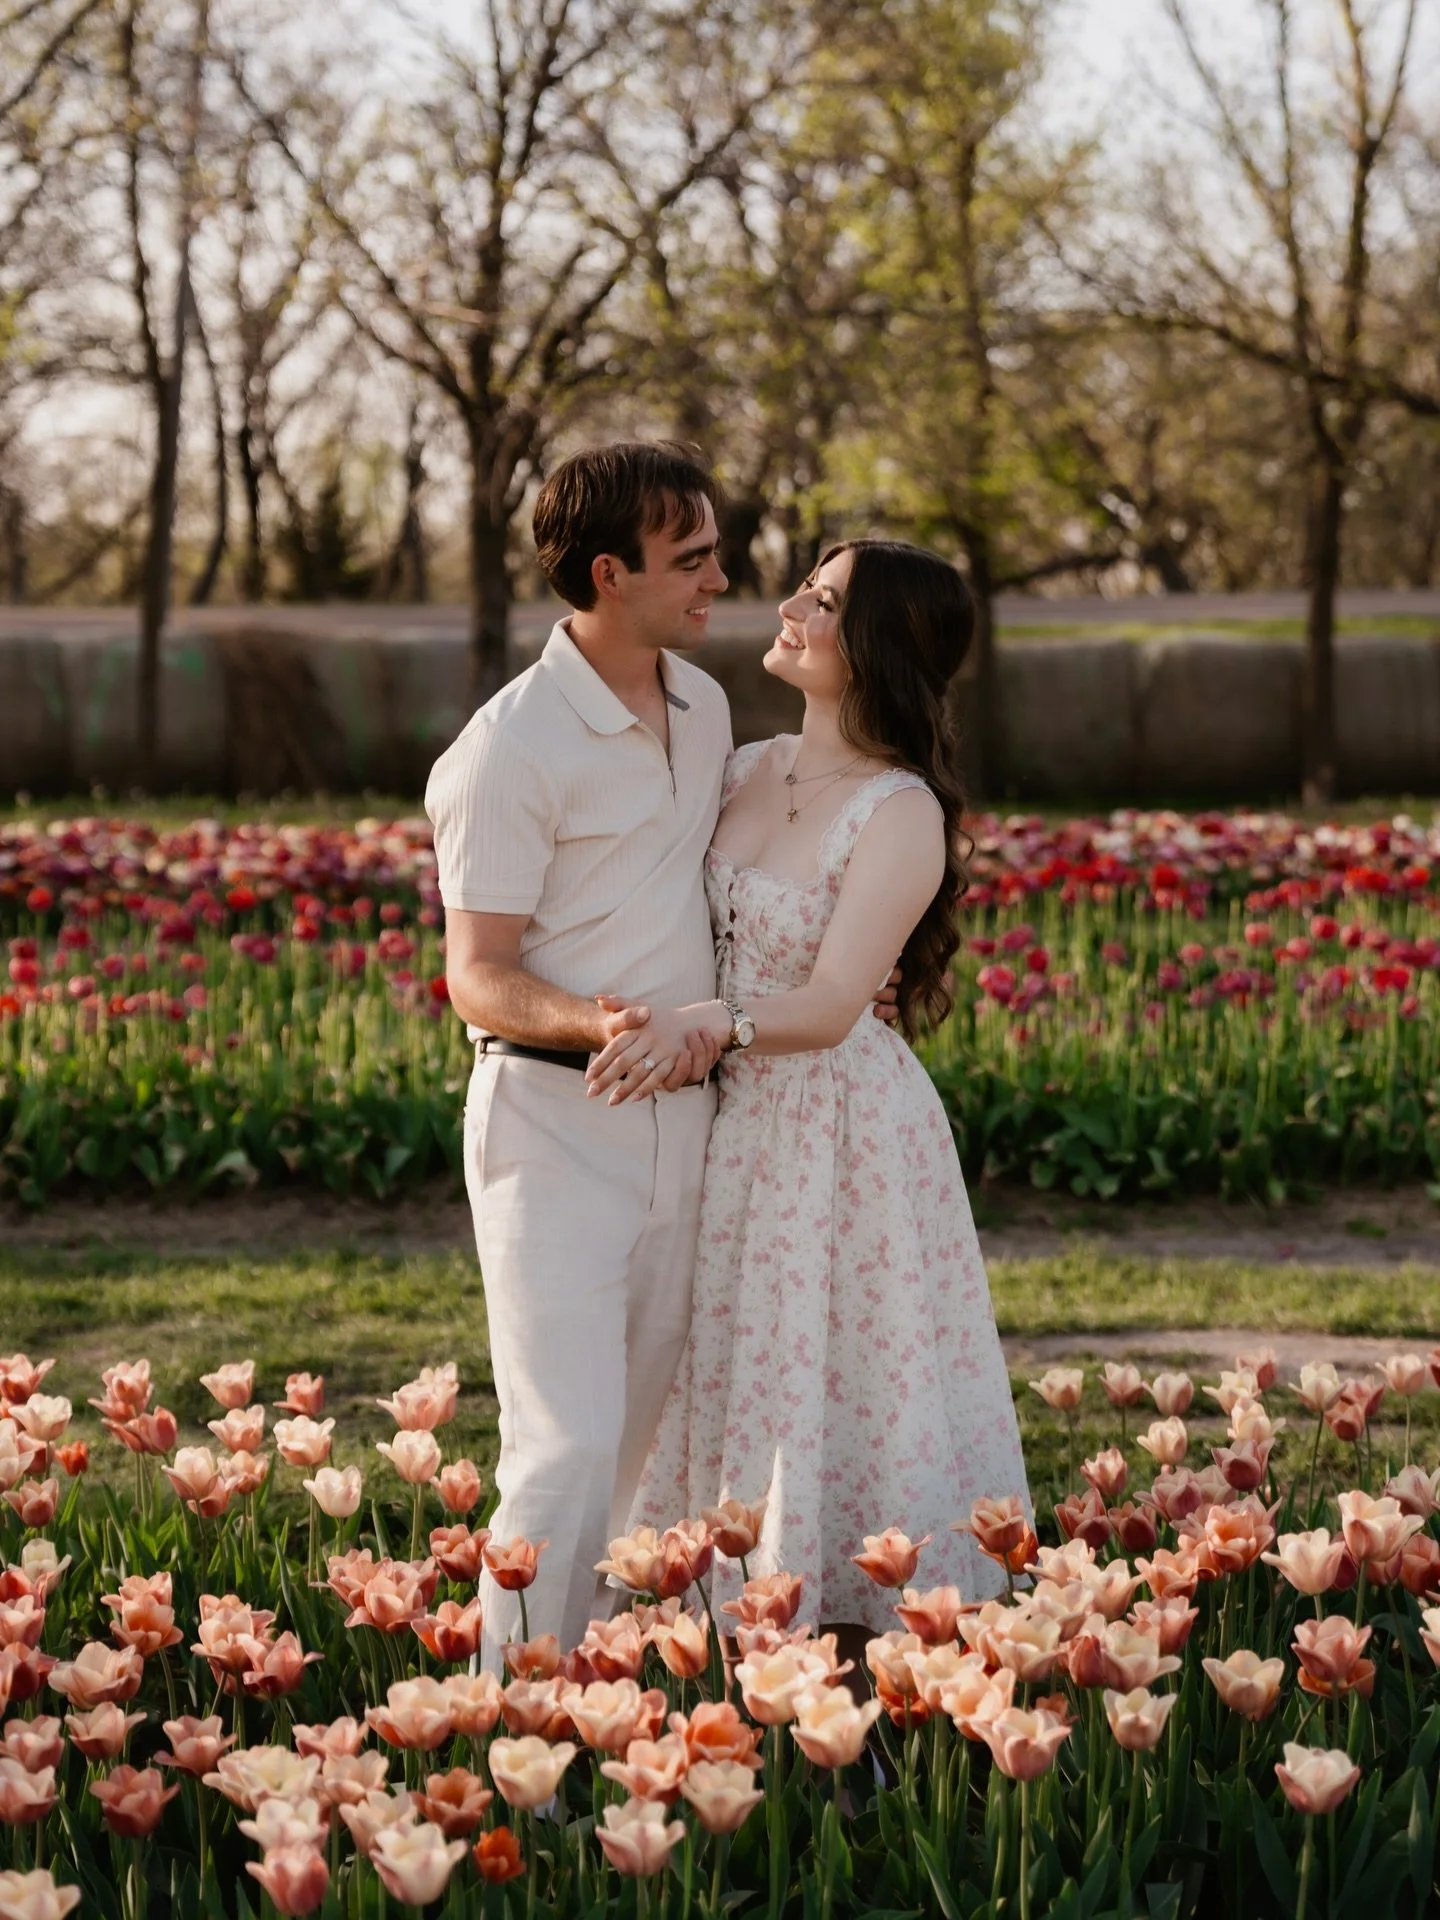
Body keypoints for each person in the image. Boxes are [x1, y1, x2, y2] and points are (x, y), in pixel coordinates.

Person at [425, 443, 894, 1664]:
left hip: (693, 1125)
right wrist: (605, 1023)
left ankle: (578, 1702)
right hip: (550, 1121)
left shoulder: (706, 705)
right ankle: (508, 1740)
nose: (721, 580)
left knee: (631, 1452)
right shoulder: (507, 747)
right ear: (607, 573)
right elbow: (474, 972)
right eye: (690, 560)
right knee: (563, 1444)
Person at [590, 539, 1032, 1634]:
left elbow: (837, 1001)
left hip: (838, 1127)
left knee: (837, 1373)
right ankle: (705, 1619)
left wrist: (718, 1022)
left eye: (823, 600)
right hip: (724, 1118)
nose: (788, 606)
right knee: (722, 1359)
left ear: (877, 643)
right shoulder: (739, 767)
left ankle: (851, 1636)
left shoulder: (899, 811)